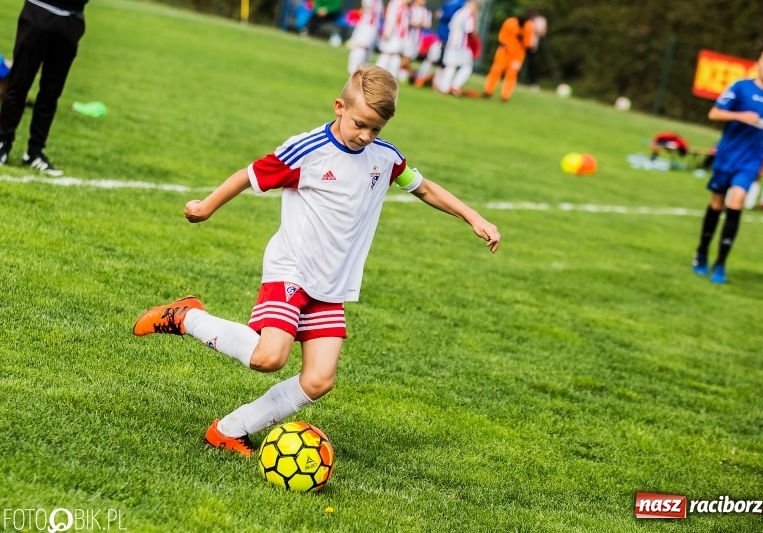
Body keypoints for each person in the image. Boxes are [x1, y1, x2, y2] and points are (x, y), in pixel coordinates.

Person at [132, 64, 501, 457]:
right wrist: (205, 207)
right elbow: (249, 175)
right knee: (269, 358)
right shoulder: (307, 150)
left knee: (319, 380)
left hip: (331, 284)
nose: (366, 136)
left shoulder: (385, 157)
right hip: (292, 269)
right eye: (360, 124)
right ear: (340, 107)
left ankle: (229, 429)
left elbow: (424, 188)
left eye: (376, 129)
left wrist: (473, 217)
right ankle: (187, 317)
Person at [691, 38, 763, 284]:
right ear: (758, 63)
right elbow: (714, 113)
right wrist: (740, 116)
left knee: (736, 201)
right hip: (727, 154)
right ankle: (702, 252)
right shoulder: (740, 87)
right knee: (717, 204)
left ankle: (720, 263)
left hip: (751, 158)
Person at [0, 0, 88, 177]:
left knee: (51, 92)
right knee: (19, 84)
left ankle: (35, 152)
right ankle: (3, 142)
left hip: (72, 19)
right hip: (39, 10)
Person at [482, 9, 536, 102]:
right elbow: (502, 38)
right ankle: (488, 91)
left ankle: (505, 96)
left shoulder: (529, 27)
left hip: (518, 55)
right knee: (496, 70)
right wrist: (506, 46)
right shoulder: (510, 23)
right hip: (504, 52)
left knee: (512, 74)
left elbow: (528, 44)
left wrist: (523, 40)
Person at [436, 0, 478, 96]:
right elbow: (469, 30)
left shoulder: (458, 12)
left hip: (451, 42)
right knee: (467, 66)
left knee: (450, 65)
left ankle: (444, 88)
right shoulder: (468, 15)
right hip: (461, 45)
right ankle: (455, 86)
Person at [398, 0, 432, 82]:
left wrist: (422, 23)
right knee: (406, 56)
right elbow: (407, 21)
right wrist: (417, 23)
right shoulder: (411, 9)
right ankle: (402, 75)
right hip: (409, 36)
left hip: (418, 38)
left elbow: (428, 24)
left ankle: (407, 75)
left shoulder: (426, 11)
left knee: (411, 57)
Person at [375, 0, 410, 78]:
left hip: (400, 35)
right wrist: (387, 31)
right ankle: (376, 73)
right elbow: (390, 18)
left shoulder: (406, 8)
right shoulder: (395, 4)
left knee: (395, 55)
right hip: (393, 34)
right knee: (387, 53)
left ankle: (391, 76)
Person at [346, 0, 383, 74]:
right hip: (366, 24)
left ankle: (363, 71)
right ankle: (353, 69)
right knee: (361, 46)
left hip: (373, 26)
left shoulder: (379, 2)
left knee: (368, 49)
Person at [524, 9, 546, 91]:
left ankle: (533, 82)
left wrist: (533, 28)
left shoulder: (540, 20)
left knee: (532, 64)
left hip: (533, 45)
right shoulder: (527, 19)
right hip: (522, 44)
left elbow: (542, 32)